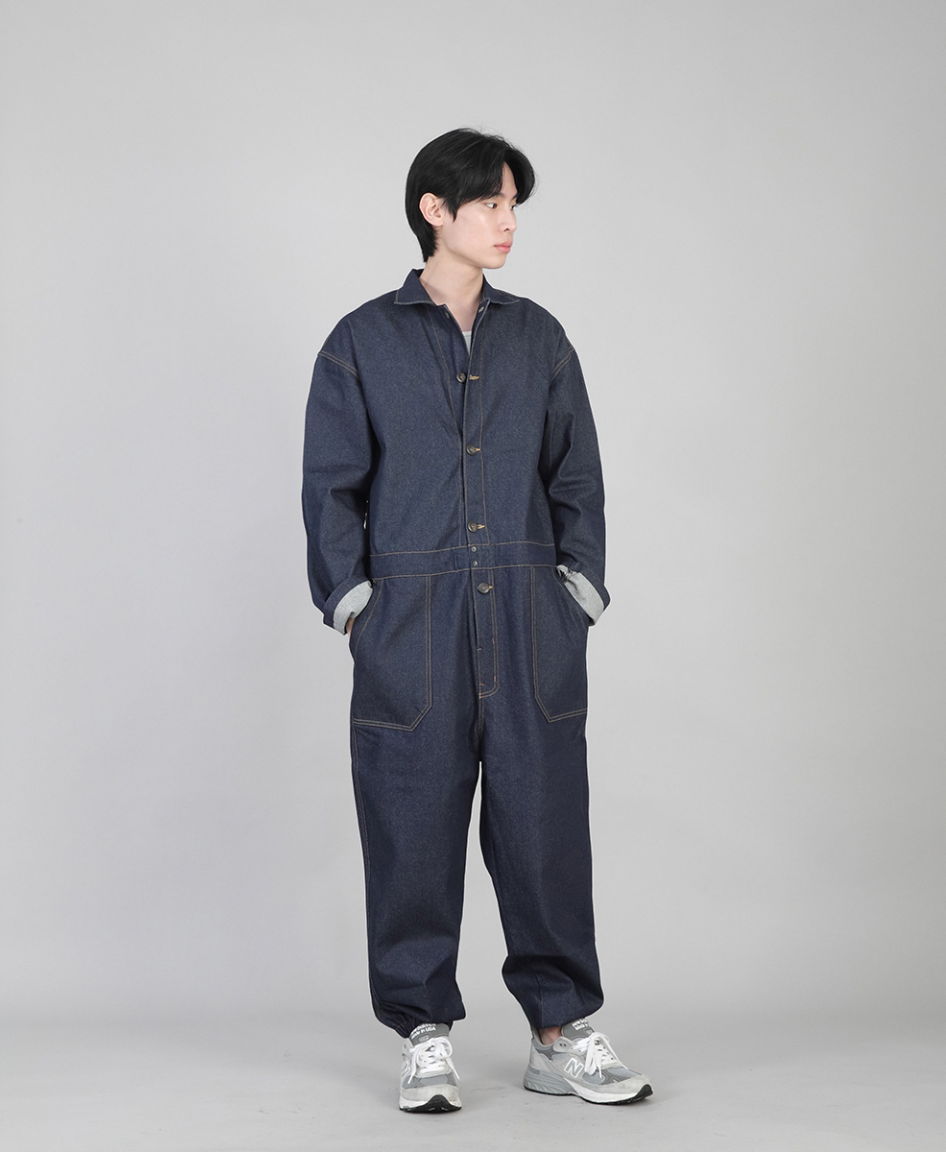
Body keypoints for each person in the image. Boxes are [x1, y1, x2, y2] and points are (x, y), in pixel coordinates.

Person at [301, 128, 653, 1113]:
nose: (508, 223)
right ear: (434, 209)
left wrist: (578, 590)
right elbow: (331, 486)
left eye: (512, 206)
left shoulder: (538, 338)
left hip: (532, 615)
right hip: (411, 625)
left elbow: (576, 473)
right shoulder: (361, 342)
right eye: (492, 203)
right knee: (410, 820)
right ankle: (424, 1034)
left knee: (544, 823)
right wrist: (356, 606)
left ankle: (559, 1032)